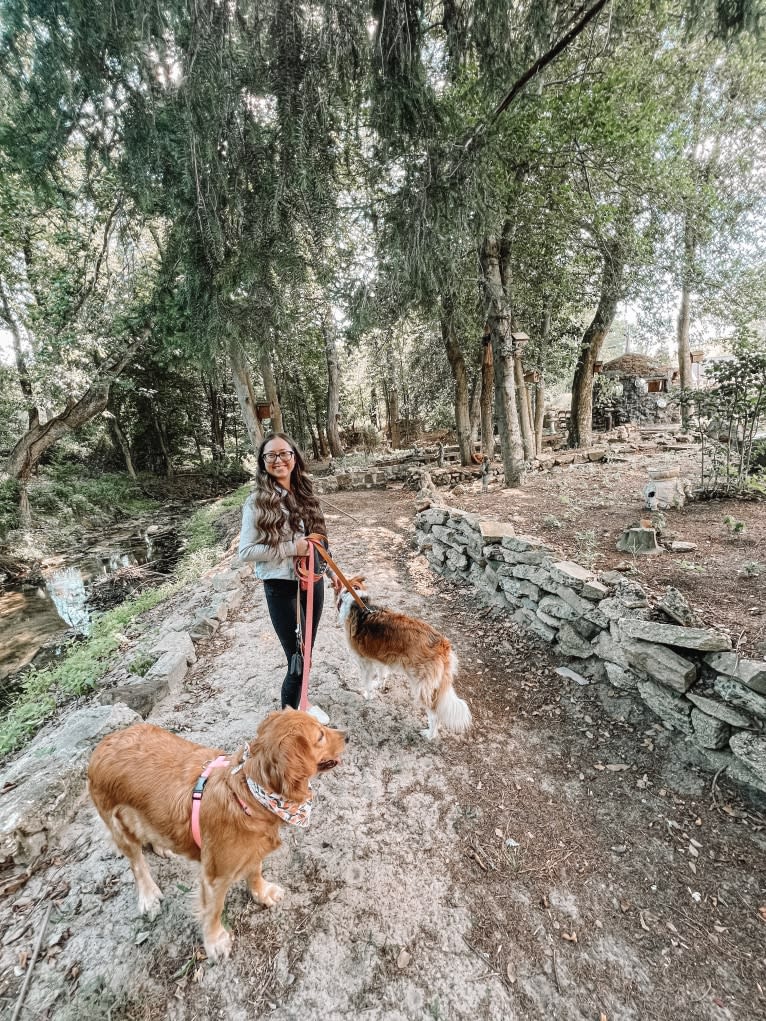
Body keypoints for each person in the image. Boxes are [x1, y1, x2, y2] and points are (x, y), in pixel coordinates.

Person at [238, 432, 330, 723]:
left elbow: (319, 539)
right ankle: (289, 721)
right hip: (281, 587)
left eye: (284, 453)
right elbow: (246, 551)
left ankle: (303, 701)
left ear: (294, 457)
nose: (278, 460)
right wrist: (293, 548)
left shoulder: (305, 493)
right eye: (271, 455)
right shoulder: (256, 502)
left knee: (308, 651)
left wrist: (326, 569)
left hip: (312, 581)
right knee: (297, 658)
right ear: (263, 463)